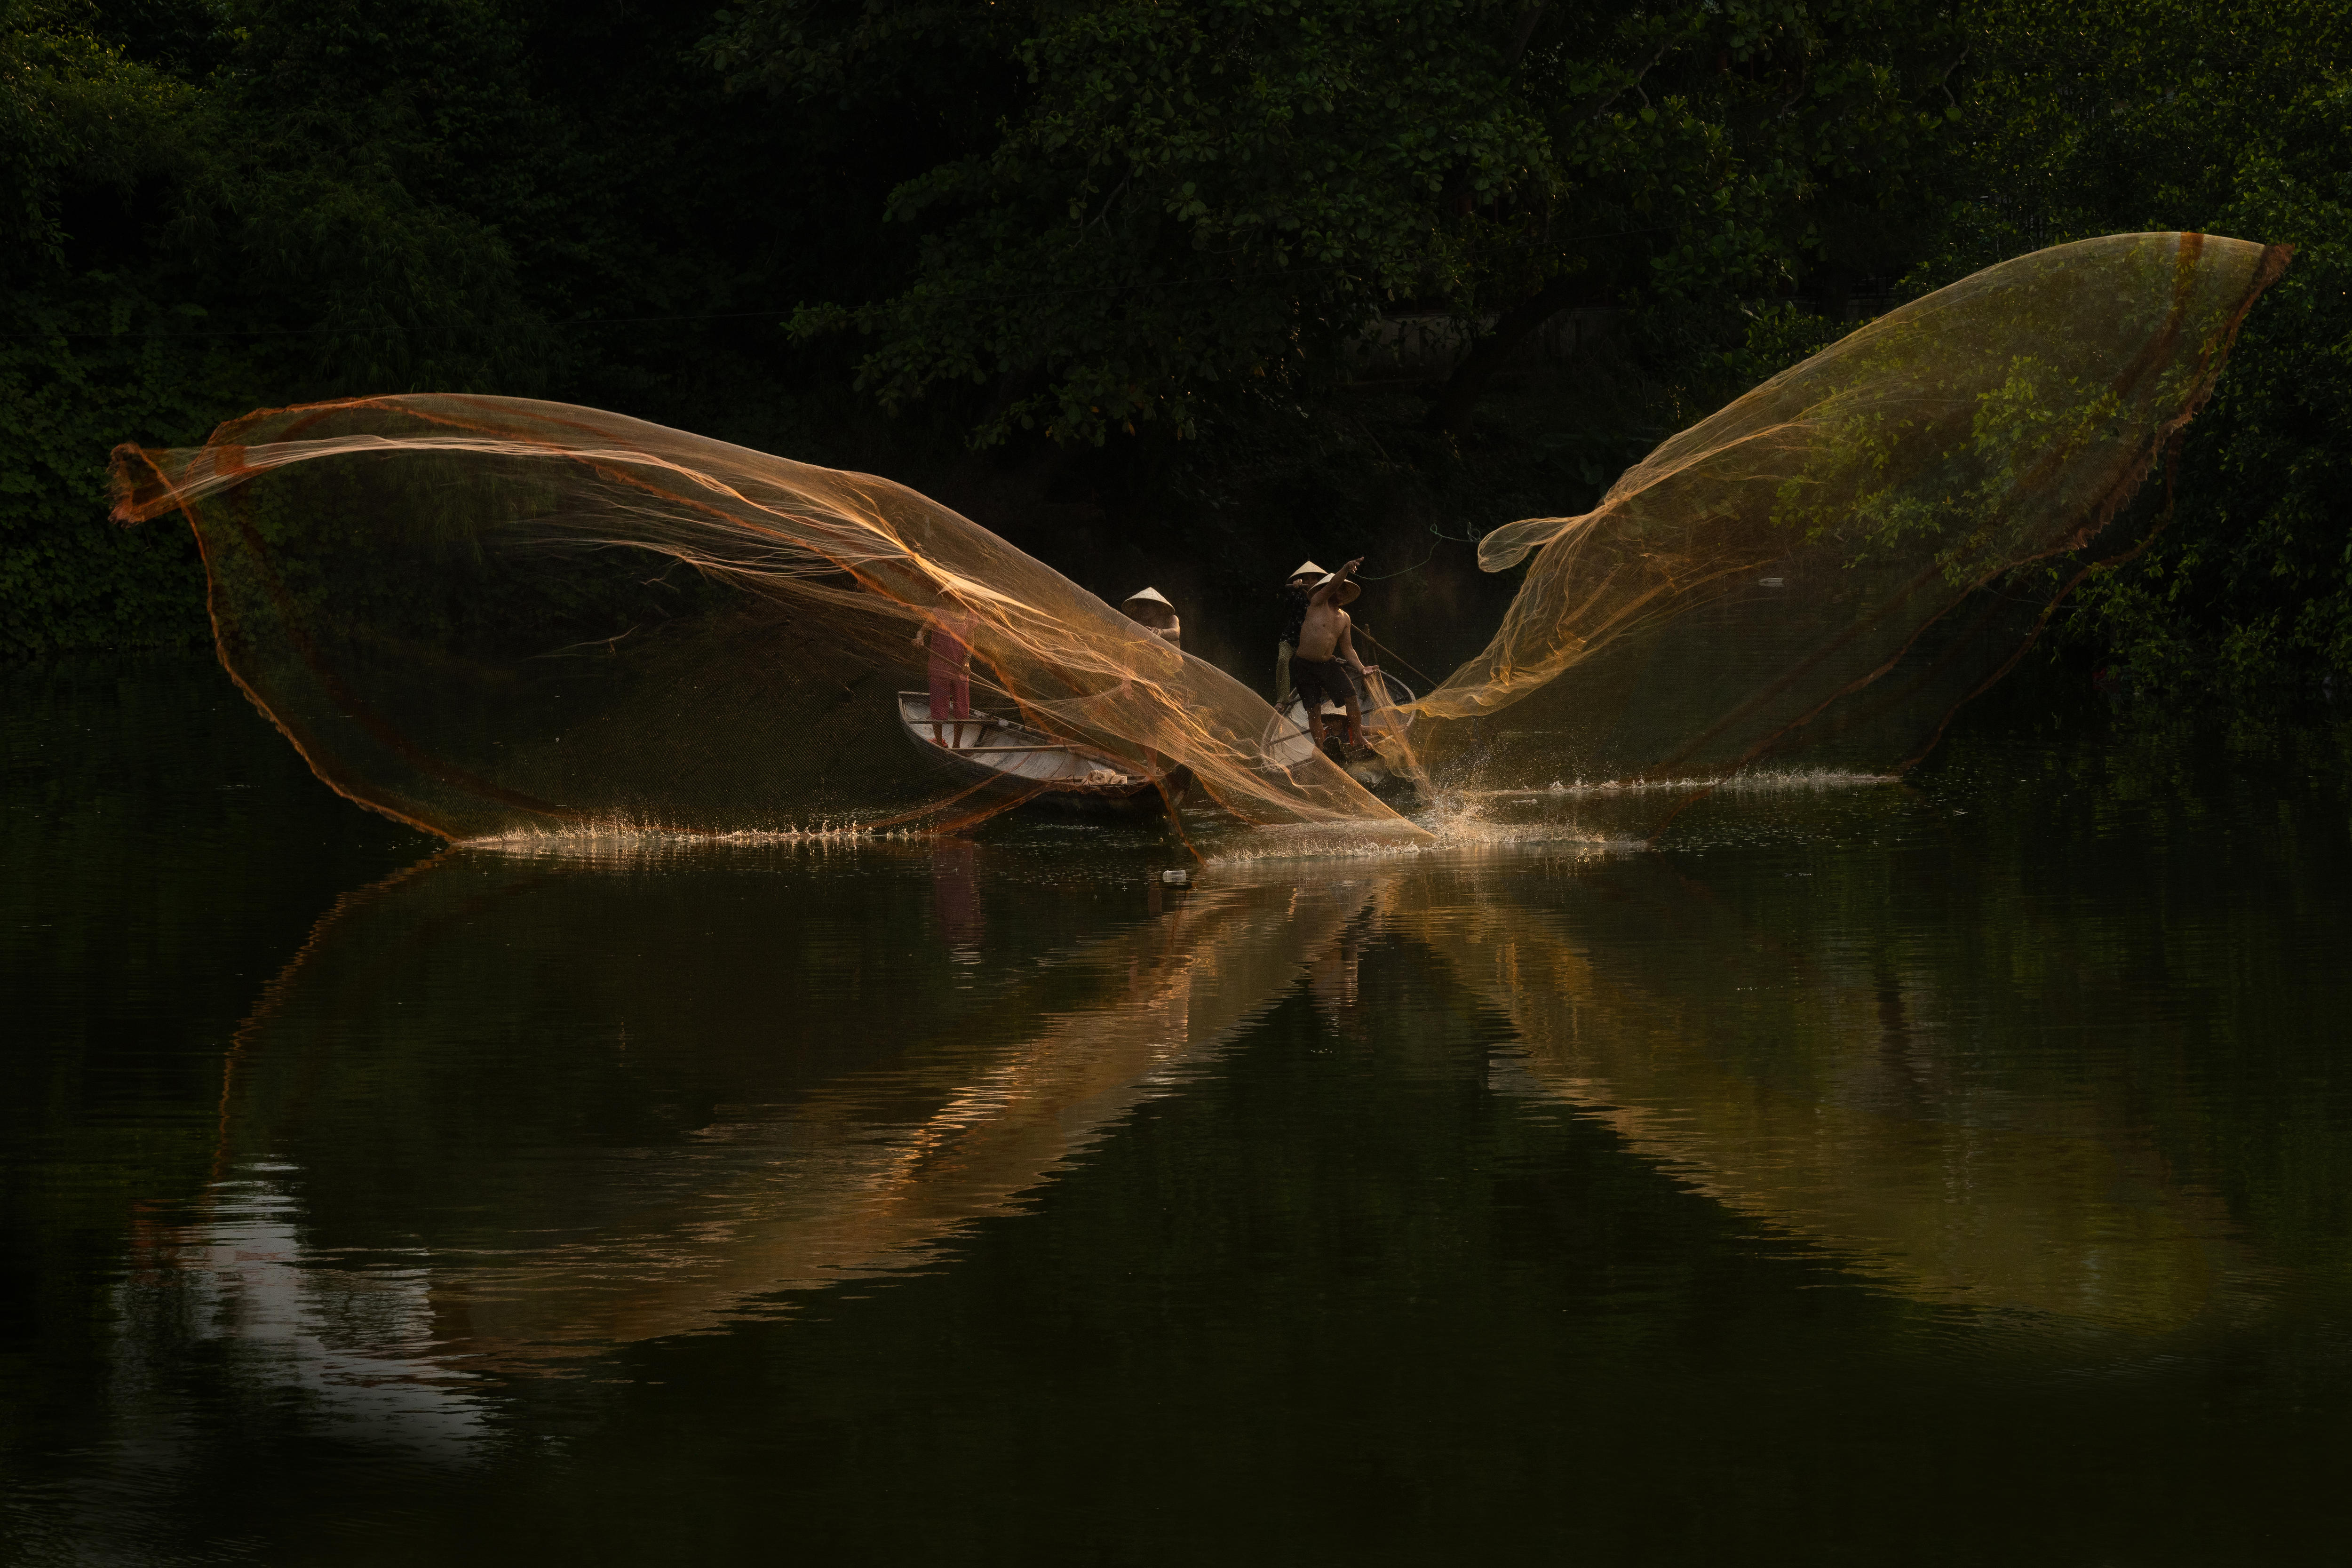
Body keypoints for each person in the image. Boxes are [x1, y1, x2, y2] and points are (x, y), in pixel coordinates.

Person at [1291, 558, 1377, 756]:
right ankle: (1321, 749)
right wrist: (1346, 568)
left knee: (1351, 696)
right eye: (1339, 588)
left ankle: (1357, 737)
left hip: (1327, 664)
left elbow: (1348, 649)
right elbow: (1331, 585)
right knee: (1314, 710)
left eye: (1344, 590)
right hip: (1304, 664)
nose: (1341, 592)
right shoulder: (1317, 603)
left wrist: (1361, 668)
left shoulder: (1345, 618)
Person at [917, 592, 981, 746]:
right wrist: (920, 639)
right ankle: (939, 741)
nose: (959, 602)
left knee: (962, 708)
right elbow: (922, 631)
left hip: (960, 669)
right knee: (939, 706)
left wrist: (967, 661)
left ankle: (957, 745)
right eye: (954, 598)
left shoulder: (969, 617)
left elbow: (970, 643)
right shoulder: (938, 613)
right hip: (939, 667)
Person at [1273, 559, 1325, 703]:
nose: (1309, 582)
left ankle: (1321, 694)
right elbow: (1287, 606)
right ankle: (1282, 700)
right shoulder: (1296, 595)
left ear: (1318, 580)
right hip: (1290, 639)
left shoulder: (1321, 598)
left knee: (1317, 668)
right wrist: (1296, 589)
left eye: (1313, 579)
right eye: (1306, 579)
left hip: (1310, 642)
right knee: (1283, 660)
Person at [1120, 586, 1183, 650]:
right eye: (1141, 606)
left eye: (1147, 605)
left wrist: (1160, 632)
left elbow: (1176, 633)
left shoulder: (1170, 619)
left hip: (1173, 659)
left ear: (1157, 607)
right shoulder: (1139, 624)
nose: (1144, 609)